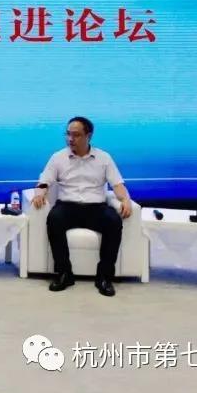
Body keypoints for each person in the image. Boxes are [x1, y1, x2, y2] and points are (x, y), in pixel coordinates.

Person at [33, 116, 132, 297]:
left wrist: (125, 199)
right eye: (68, 134)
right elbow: (44, 181)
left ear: (89, 136)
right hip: (67, 206)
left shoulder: (103, 158)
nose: (70, 139)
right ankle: (64, 274)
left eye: (76, 135)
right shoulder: (58, 157)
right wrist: (40, 193)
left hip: (96, 207)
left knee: (113, 221)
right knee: (54, 219)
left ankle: (104, 277)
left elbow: (117, 184)